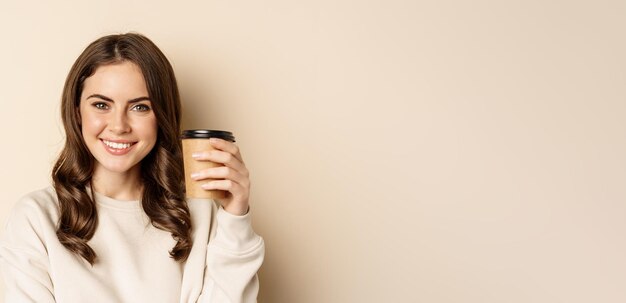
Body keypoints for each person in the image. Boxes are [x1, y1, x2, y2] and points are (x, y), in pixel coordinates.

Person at [0, 33, 264, 303]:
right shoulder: (36, 218)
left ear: (161, 117)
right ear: (77, 111)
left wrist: (235, 217)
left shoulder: (198, 212)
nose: (118, 126)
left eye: (140, 107)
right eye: (101, 105)